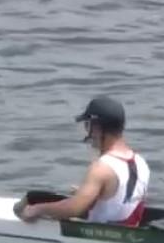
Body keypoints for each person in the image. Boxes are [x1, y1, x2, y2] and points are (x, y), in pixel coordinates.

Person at [14, 96, 150, 226]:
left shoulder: (101, 168)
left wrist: (37, 209)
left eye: (88, 126)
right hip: (128, 229)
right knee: (37, 196)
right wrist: (96, 192)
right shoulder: (141, 162)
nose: (88, 132)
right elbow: (122, 200)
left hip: (100, 237)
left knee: (29, 202)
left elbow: (73, 210)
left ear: (97, 128)